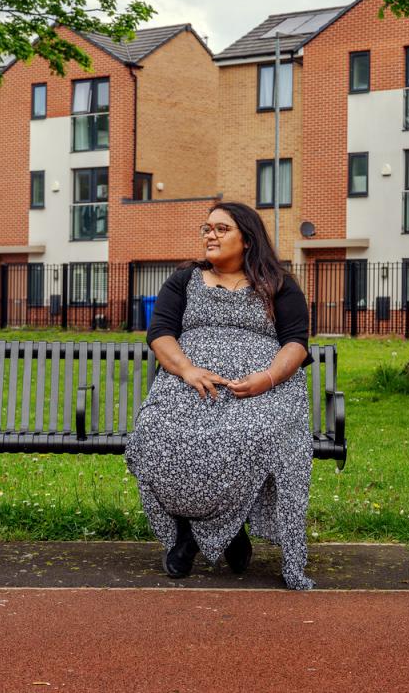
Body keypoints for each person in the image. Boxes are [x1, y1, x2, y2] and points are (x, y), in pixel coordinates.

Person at [124, 201, 316, 590]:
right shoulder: (183, 280)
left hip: (261, 390)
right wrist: (187, 370)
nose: (210, 235)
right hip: (189, 383)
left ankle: (196, 537)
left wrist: (266, 379)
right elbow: (160, 333)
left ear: (247, 238)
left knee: (249, 435)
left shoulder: (278, 283)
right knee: (157, 430)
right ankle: (217, 529)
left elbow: (295, 343)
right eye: (206, 228)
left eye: (221, 229)